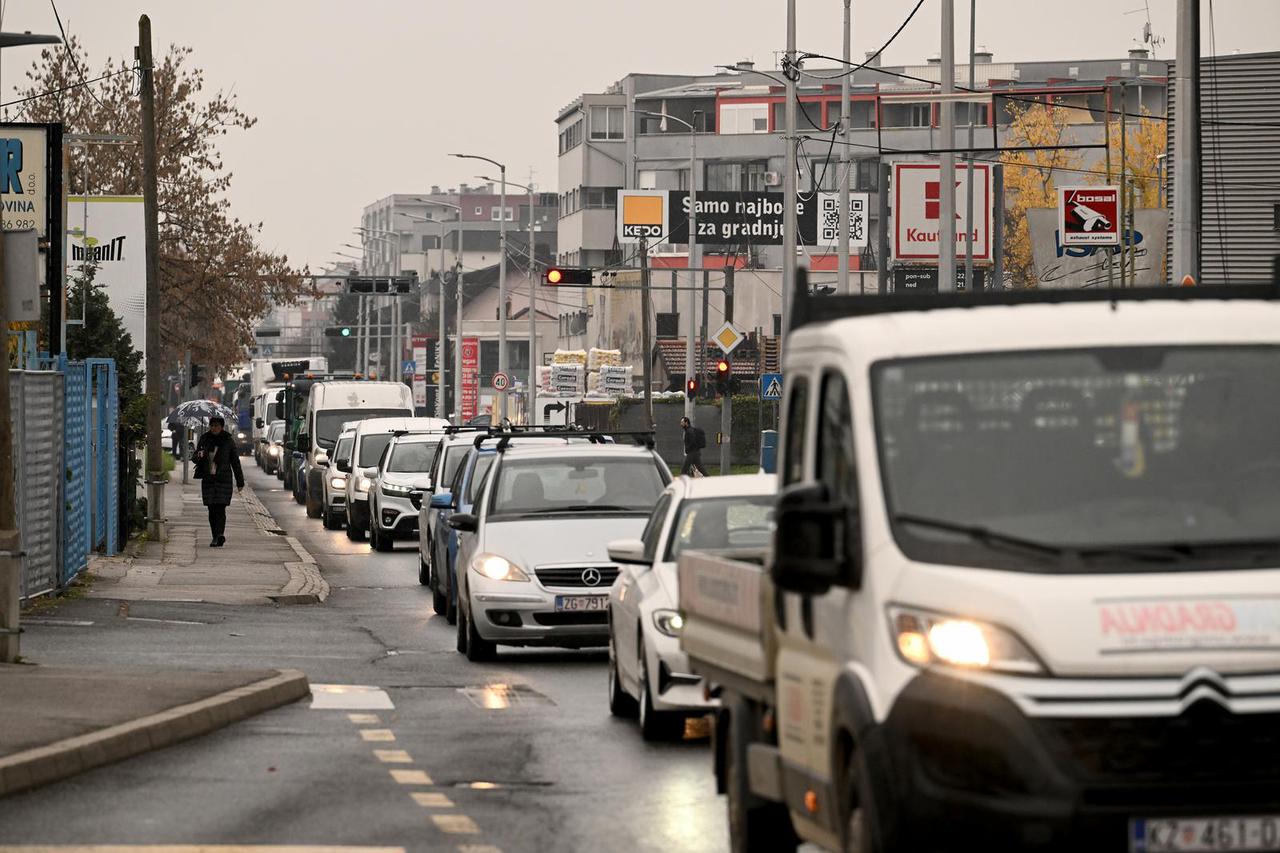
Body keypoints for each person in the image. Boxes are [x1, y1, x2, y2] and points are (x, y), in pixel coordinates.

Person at [195, 416, 244, 547]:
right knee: (211, 509)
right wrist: (199, 455)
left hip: (223, 479)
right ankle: (215, 536)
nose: (214, 428)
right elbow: (195, 457)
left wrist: (240, 481)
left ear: (221, 427)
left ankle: (220, 535)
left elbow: (235, 462)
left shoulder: (228, 441)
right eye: (212, 426)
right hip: (208, 479)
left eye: (217, 426)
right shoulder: (204, 439)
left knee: (220, 508)